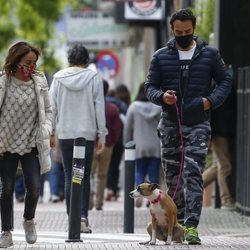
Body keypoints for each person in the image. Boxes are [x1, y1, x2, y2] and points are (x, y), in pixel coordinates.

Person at [145, 9, 232, 245]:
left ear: (193, 29)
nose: (183, 35)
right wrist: (162, 97)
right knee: (173, 179)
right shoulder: (161, 56)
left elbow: (225, 80)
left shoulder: (210, 54)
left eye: (188, 32)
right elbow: (149, 87)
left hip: (198, 123)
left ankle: (192, 226)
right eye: (178, 32)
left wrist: (210, 101)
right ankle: (178, 224)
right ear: (172, 30)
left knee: (193, 175)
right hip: (170, 123)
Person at [49, 43, 107, 233]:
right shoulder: (93, 78)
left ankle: (72, 218)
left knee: (69, 175)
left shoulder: (58, 78)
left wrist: (50, 132)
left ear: (69, 59)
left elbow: (52, 108)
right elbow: (99, 107)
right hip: (87, 134)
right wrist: (102, 134)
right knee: (83, 175)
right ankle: (82, 217)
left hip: (65, 134)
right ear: (86, 59)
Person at [0, 41, 52, 247]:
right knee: (6, 189)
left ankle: (29, 220)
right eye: (27, 62)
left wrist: (47, 130)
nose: (31, 66)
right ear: (16, 60)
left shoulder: (39, 82)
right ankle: (6, 232)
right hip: (5, 144)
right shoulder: (4, 81)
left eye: (34, 62)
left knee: (34, 188)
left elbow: (48, 110)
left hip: (31, 143)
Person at [203, 65, 237, 210]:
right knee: (225, 166)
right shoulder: (215, 87)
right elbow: (210, 114)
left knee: (218, 166)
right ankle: (226, 200)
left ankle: (189, 188)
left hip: (224, 131)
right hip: (219, 132)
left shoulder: (220, 85)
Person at [123, 83, 161, 208]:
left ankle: (139, 196)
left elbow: (127, 127)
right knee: (154, 173)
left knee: (139, 171)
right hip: (155, 145)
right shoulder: (159, 107)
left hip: (139, 145)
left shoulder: (134, 107)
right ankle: (152, 199)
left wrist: (127, 143)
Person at [89, 80, 121, 210]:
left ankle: (88, 202)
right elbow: (117, 129)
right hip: (107, 145)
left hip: (91, 144)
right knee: (102, 175)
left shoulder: (90, 107)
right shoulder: (113, 108)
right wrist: (111, 142)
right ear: (107, 90)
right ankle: (99, 203)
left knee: (89, 174)